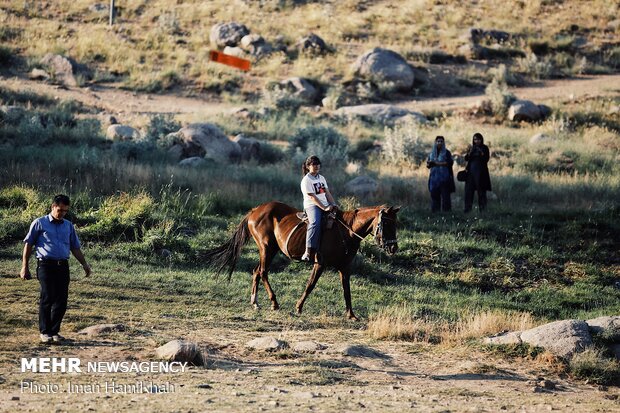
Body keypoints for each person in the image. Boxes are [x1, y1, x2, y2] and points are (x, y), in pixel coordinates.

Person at [20, 194, 91, 344]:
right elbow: (28, 245)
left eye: (65, 211)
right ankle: (44, 332)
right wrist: (24, 266)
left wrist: (84, 264)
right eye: (60, 210)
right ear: (53, 207)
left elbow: (75, 247)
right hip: (45, 265)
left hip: (62, 265)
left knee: (62, 299)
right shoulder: (39, 223)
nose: (62, 213)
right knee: (48, 296)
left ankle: (54, 331)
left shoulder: (68, 226)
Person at [300, 156, 336, 262]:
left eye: (318, 164)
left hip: (325, 204)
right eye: (313, 164)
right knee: (315, 223)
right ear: (308, 166)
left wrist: (333, 204)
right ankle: (307, 251)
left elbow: (327, 193)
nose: (316, 166)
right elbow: (312, 197)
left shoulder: (321, 178)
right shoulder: (306, 180)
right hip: (312, 206)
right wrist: (324, 207)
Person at [464, 132, 492, 212]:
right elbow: (466, 158)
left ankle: (483, 211)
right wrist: (470, 152)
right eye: (475, 139)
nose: (477, 141)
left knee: (482, 193)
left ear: (481, 140)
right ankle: (467, 210)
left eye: (478, 139)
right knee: (468, 192)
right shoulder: (471, 148)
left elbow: (486, 159)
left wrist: (480, 152)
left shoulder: (484, 148)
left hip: (481, 174)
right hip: (471, 173)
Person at [426, 135, 455, 212]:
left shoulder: (447, 153)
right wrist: (429, 164)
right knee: (434, 196)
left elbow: (449, 163)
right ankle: (435, 213)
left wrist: (436, 163)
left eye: (441, 141)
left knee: (446, 197)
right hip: (434, 178)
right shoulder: (431, 153)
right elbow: (428, 165)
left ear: (443, 142)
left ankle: (447, 214)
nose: (439, 143)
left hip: (444, 178)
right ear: (435, 142)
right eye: (438, 141)